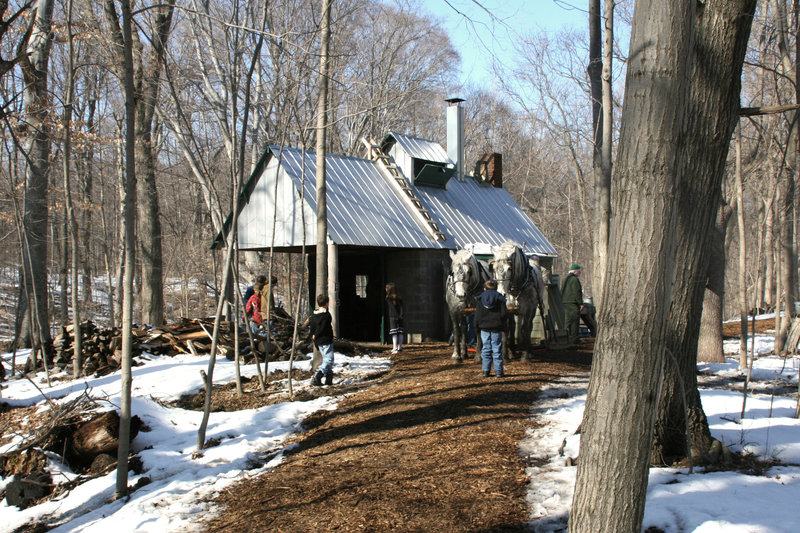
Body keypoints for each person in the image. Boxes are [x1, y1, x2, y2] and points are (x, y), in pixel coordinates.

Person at [474, 279, 508, 378]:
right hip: (496, 327)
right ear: (496, 288)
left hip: (484, 328)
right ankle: (498, 372)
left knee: (485, 349)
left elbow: (478, 315)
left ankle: (485, 371)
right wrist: (503, 325)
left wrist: (476, 326)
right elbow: (503, 314)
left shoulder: (480, 299)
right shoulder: (500, 299)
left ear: (485, 289)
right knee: (497, 349)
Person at [309, 294, 335, 386]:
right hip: (326, 340)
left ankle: (328, 379)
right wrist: (316, 334)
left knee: (325, 359)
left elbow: (312, 327)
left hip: (318, 341)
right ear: (327, 303)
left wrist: (313, 335)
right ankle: (318, 374)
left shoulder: (314, 315)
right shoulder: (326, 315)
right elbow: (323, 327)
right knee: (329, 359)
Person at [561, 263, 584, 345]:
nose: (579, 274)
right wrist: (581, 303)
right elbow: (577, 292)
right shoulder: (574, 280)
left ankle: (565, 337)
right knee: (574, 321)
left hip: (565, 302)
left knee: (567, 320)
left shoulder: (565, 279)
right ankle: (574, 338)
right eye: (579, 272)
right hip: (573, 303)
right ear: (575, 271)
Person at [385, 282, 404, 354]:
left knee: (394, 332)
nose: (385, 289)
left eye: (386, 288)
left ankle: (395, 347)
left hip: (393, 316)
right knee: (400, 332)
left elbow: (392, 308)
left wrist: (396, 316)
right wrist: (401, 315)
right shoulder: (399, 297)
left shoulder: (388, 298)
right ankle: (400, 347)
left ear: (389, 289)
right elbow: (402, 307)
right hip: (400, 316)